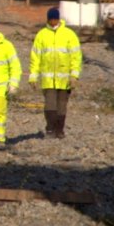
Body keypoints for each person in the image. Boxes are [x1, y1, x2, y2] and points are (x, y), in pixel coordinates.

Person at [29, 7, 82, 139]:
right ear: (47, 19)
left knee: (62, 106)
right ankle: (50, 129)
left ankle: (60, 130)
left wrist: (74, 76)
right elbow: (35, 57)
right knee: (50, 105)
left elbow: (76, 56)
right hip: (48, 79)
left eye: (55, 19)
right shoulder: (41, 35)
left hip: (65, 80)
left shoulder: (69, 35)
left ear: (58, 19)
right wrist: (33, 76)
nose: (53, 22)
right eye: (50, 19)